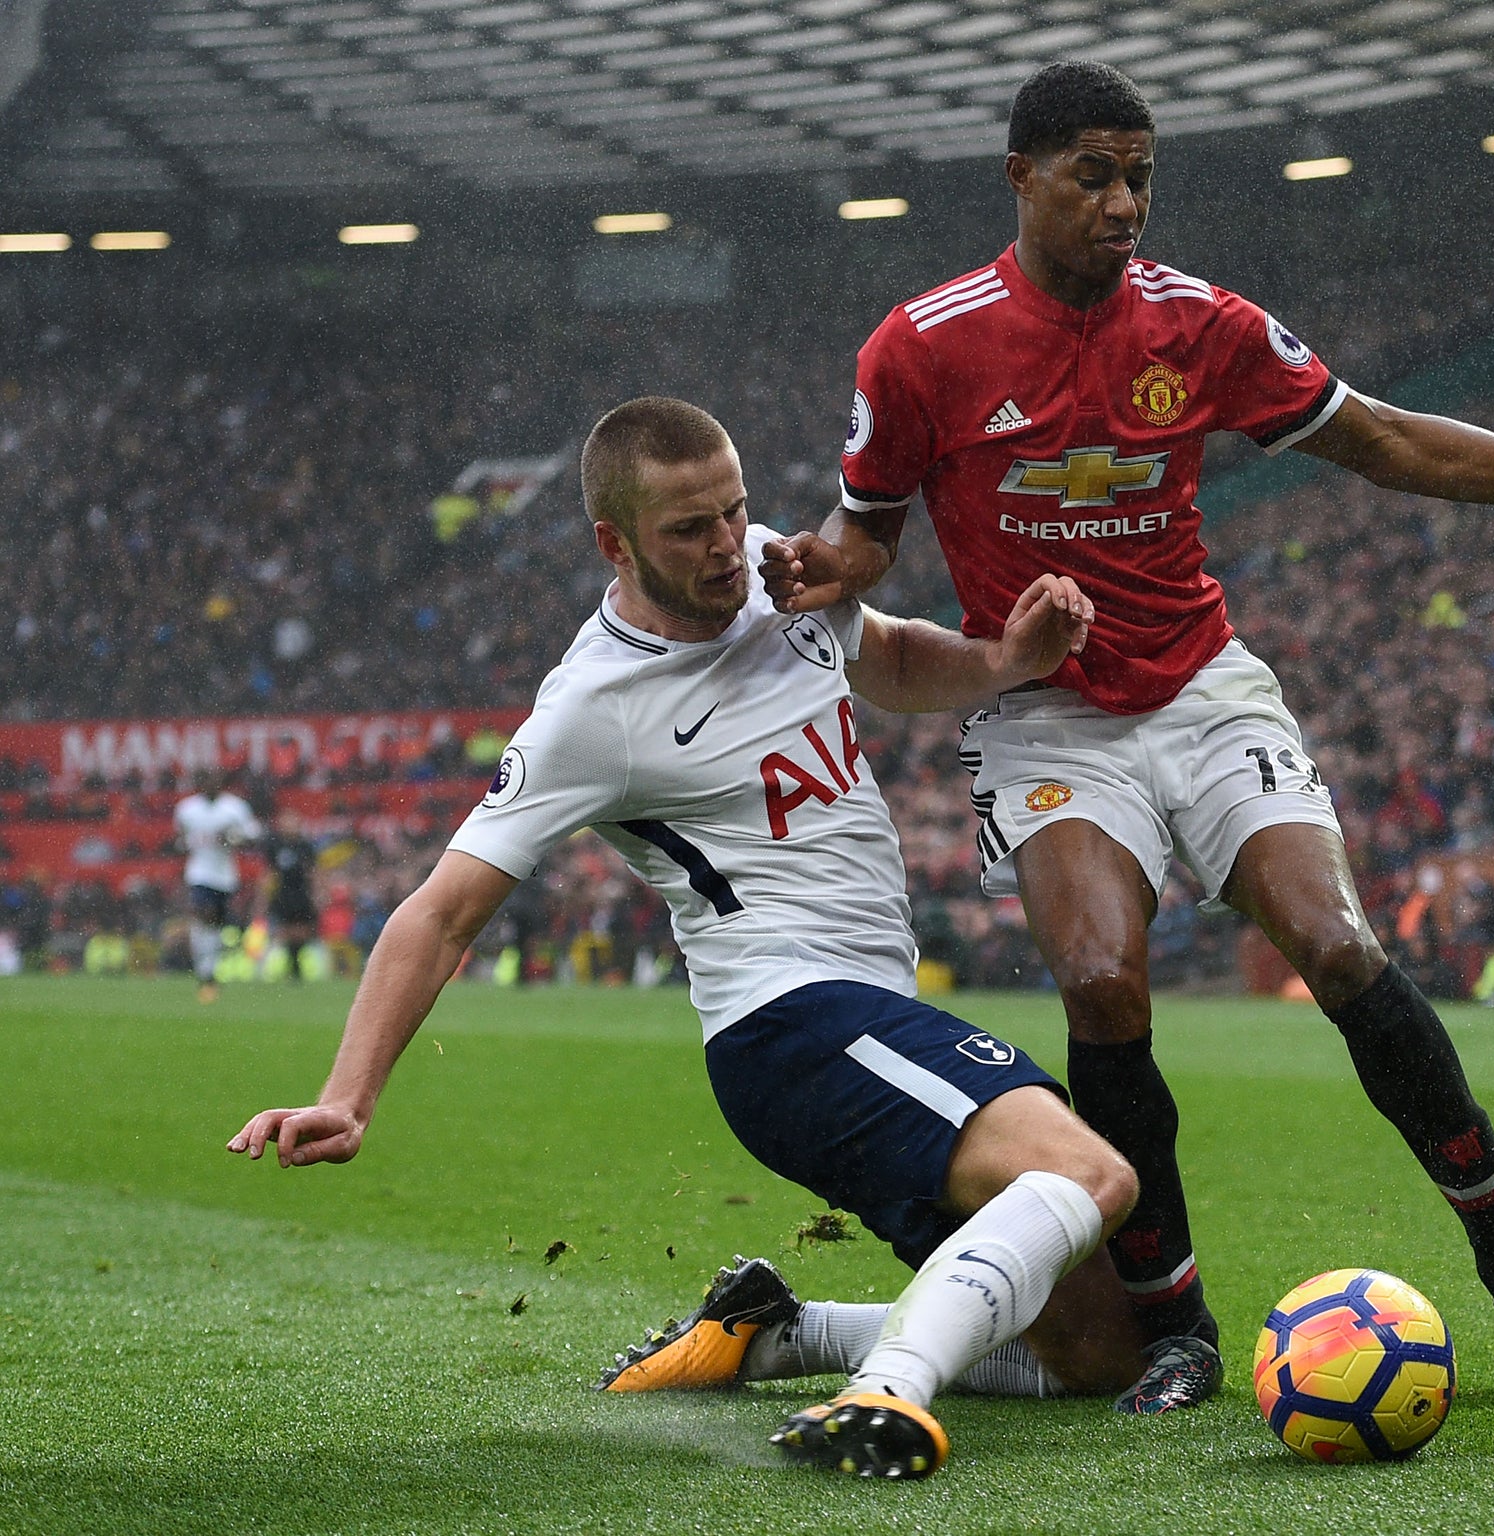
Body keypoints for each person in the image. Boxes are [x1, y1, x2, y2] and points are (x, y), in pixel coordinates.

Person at [762, 60, 1494, 1409]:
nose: (1125, 203)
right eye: (1095, 173)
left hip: (1204, 687)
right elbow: (864, 530)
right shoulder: (923, 346)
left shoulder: (1204, 326)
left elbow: (1392, 442)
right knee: (1105, 982)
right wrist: (827, 567)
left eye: (1142, 175)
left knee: (1340, 947)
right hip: (1046, 707)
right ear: (1021, 178)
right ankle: (1179, 1329)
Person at [227, 397, 1150, 1482]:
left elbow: (889, 659)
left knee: (1093, 1353)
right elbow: (440, 910)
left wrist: (1002, 658)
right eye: (687, 529)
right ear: (613, 544)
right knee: (1093, 1177)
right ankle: (883, 1396)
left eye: (734, 510)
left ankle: (781, 1332)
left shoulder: (772, 569)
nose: (725, 547)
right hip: (789, 1025)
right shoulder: (592, 710)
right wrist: (349, 1093)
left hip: (871, 1016)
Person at [173, 768, 261, 1002]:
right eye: (205, 779)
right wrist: (185, 843)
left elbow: (253, 835)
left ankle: (209, 971)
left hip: (225, 875)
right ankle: (206, 974)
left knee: (217, 926)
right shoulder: (187, 809)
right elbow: (178, 840)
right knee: (205, 916)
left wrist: (232, 838)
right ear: (199, 783)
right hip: (199, 873)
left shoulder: (234, 808)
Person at [259, 808, 321, 982]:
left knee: (302, 931)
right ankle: (290, 965)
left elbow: (313, 872)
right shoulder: (275, 846)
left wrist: (318, 894)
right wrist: (263, 898)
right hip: (282, 894)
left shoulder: (305, 846)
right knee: (283, 931)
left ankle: (295, 965)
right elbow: (270, 873)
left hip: (301, 894)